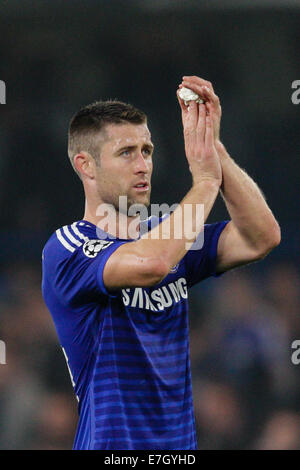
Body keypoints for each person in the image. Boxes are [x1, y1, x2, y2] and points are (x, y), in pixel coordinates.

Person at [41, 75, 280, 450]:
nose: (143, 165)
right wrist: (204, 182)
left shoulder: (168, 236)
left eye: (147, 151)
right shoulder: (67, 247)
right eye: (126, 153)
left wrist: (213, 149)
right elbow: (152, 263)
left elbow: (261, 237)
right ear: (85, 165)